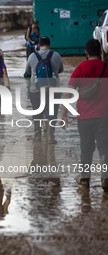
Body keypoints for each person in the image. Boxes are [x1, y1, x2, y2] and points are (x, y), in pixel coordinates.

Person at [60, 39, 108, 190]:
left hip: (85, 118)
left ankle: (85, 179)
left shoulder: (80, 68)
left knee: (86, 148)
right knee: (104, 148)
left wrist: (63, 115)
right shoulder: (106, 68)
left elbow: (68, 93)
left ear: (86, 53)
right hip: (104, 117)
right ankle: (105, 179)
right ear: (100, 52)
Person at [25, 36, 64, 143]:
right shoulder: (56, 55)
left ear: (38, 46)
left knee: (37, 112)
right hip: (53, 89)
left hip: (36, 89)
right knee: (52, 113)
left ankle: (37, 135)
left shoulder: (32, 56)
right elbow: (60, 70)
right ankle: (51, 136)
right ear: (50, 45)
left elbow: (28, 71)